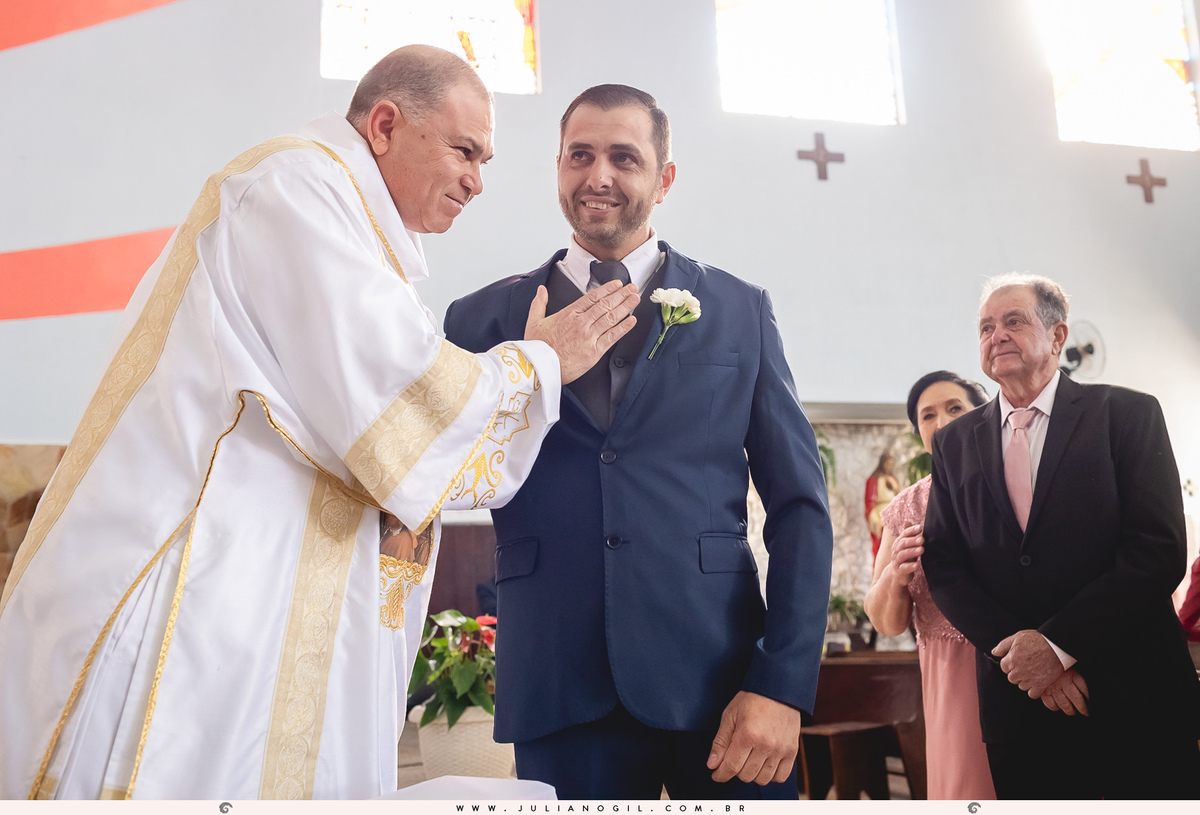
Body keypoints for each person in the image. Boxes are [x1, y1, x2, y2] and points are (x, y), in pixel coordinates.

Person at [0, 45, 641, 800]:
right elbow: (393, 390)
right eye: (465, 150)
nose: (477, 179)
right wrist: (537, 364)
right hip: (198, 579)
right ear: (384, 125)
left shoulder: (356, 231)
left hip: (261, 582)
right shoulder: (292, 188)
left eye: (488, 160)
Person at [443, 84, 833, 800]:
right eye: (581, 155)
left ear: (664, 177)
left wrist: (782, 682)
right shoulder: (480, 319)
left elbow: (801, 506)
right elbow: (442, 470)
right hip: (560, 681)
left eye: (625, 157)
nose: (599, 176)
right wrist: (524, 370)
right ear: (557, 165)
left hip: (722, 682)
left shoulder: (738, 310)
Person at [922, 273, 1200, 799]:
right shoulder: (955, 444)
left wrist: (1057, 646)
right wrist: (1026, 659)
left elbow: (1158, 549)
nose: (996, 335)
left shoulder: (1127, 415)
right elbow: (945, 564)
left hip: (1133, 695)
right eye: (985, 327)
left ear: (1057, 336)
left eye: (1013, 321)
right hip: (1018, 708)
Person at [863, 370, 994, 800]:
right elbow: (885, 622)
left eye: (956, 408)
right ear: (919, 432)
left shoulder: (1013, 487)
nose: (943, 422)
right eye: (928, 415)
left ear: (985, 415)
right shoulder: (904, 508)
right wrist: (896, 577)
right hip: (948, 682)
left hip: (1015, 661)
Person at [864, 451, 900, 562]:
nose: (889, 466)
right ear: (882, 463)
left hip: (893, 515)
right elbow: (869, 502)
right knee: (880, 548)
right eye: (887, 463)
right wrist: (874, 520)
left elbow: (900, 497)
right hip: (879, 515)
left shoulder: (894, 480)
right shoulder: (873, 480)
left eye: (891, 464)